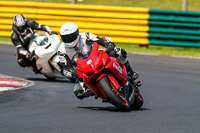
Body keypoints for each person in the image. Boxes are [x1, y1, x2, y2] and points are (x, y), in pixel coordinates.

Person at [58, 22, 139, 99]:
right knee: (78, 92)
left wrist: (108, 45)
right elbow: (66, 67)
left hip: (96, 57)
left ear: (77, 33)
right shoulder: (61, 51)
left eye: (71, 37)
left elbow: (101, 40)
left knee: (118, 51)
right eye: (66, 38)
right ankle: (101, 91)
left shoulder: (86, 35)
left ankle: (130, 72)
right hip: (83, 70)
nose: (69, 40)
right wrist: (70, 72)